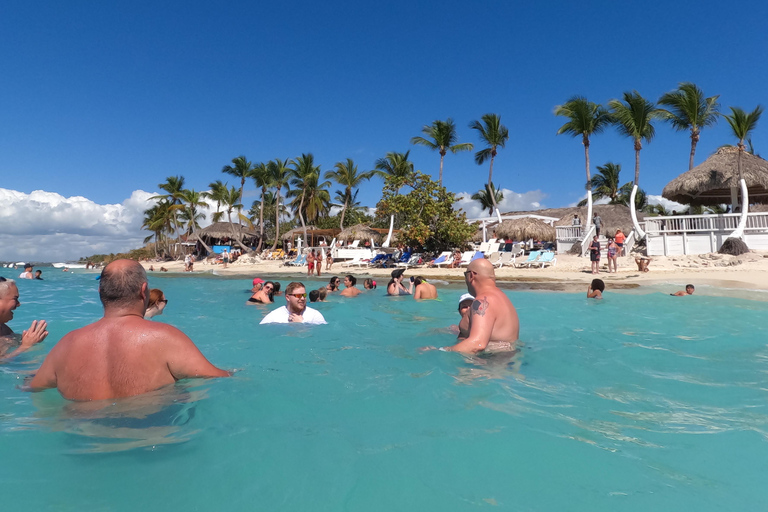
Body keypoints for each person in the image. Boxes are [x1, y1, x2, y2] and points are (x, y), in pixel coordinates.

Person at [27, 260, 229, 400]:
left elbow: (33, 388)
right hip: (153, 443)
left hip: (83, 447)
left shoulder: (66, 344)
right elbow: (220, 378)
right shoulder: (166, 338)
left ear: (100, 292)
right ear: (143, 291)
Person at [423, 258, 519, 354]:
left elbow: (477, 344)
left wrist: (439, 350)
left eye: (465, 275)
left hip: (488, 365)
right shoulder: (503, 298)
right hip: (505, 363)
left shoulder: (483, 301)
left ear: (471, 275)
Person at [0, 278, 49, 361]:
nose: (19, 304)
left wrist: (32, 339)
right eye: (15, 299)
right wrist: (25, 346)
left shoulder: (4, 328)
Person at [259, 282, 327, 325]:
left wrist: (302, 323)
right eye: (298, 296)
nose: (303, 298)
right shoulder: (274, 316)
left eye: (304, 295)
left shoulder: (315, 315)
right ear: (288, 297)